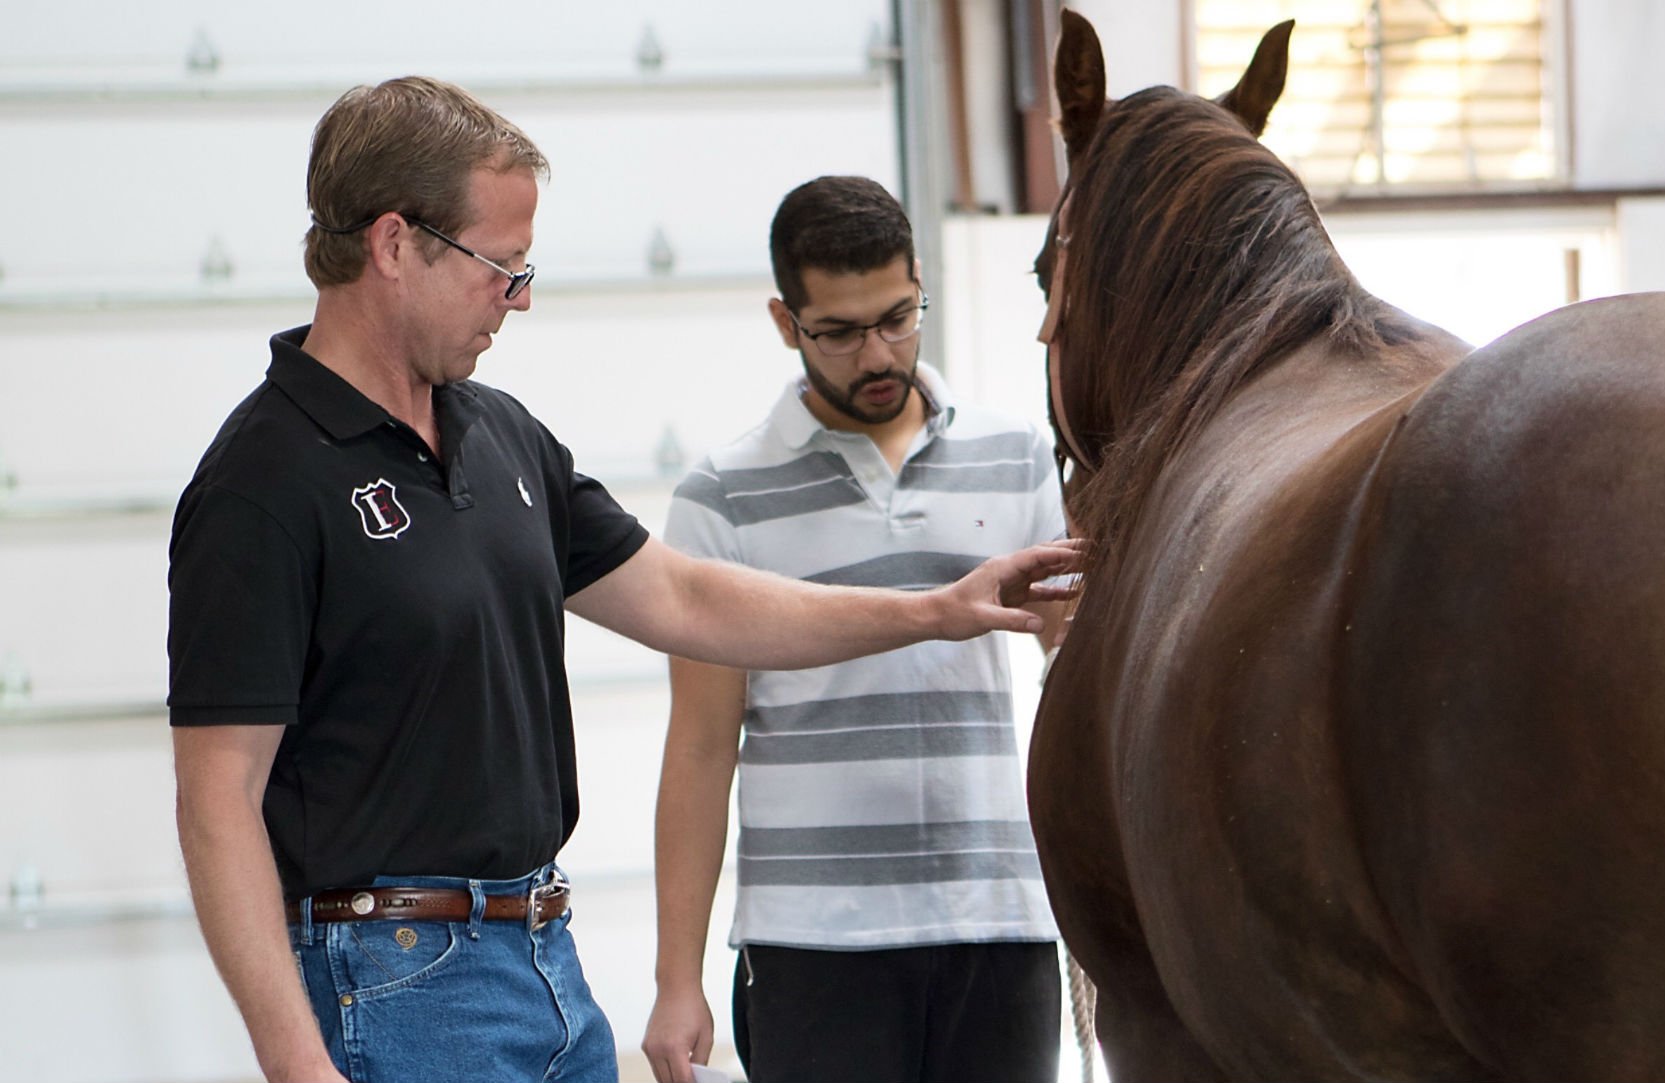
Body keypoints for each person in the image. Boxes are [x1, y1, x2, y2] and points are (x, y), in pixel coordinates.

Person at [166, 82, 1079, 1083]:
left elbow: (689, 599)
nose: (519, 298)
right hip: (386, 982)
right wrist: (297, 1065)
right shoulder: (264, 482)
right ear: (394, 245)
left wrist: (937, 611)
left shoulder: (500, 434)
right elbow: (219, 801)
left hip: (543, 962)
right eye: (501, 269)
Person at [640, 176, 1069, 1083]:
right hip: (812, 943)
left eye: (899, 316)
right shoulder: (722, 496)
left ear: (919, 282)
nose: (878, 353)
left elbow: (1081, 678)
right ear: (784, 320)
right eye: (838, 331)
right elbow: (702, 747)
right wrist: (677, 980)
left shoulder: (1018, 456)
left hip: (998, 922)